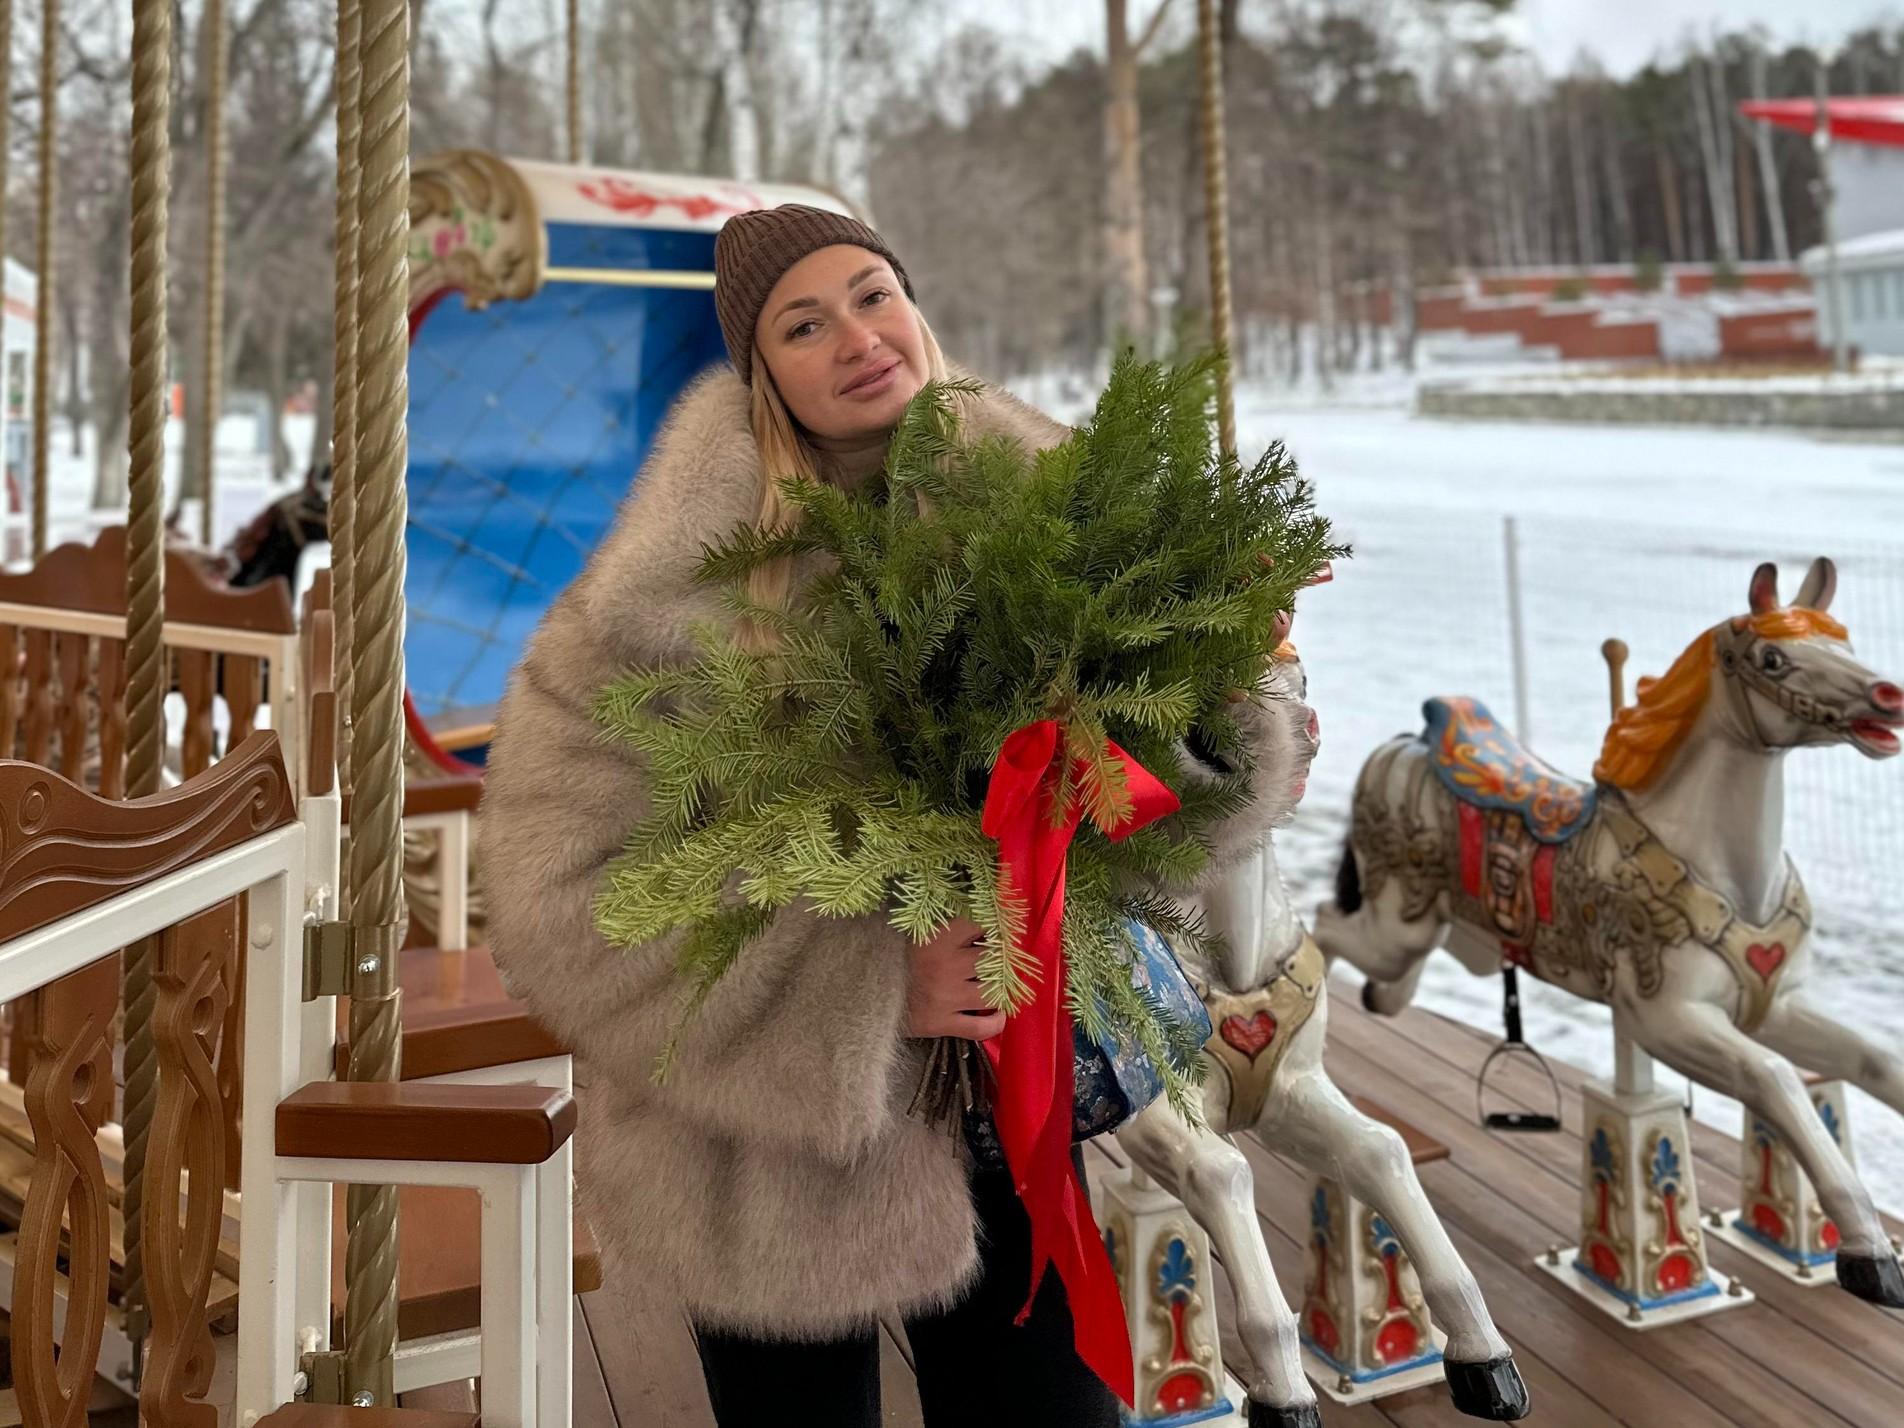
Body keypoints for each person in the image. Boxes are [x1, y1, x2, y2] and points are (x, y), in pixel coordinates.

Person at [479, 205, 1309, 1427]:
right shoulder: (643, 619)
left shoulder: (1062, 530)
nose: (858, 337)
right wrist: (866, 988)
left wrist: (1223, 718)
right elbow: (560, 902)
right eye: (804, 324)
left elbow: (1160, 807)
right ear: (761, 370)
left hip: (1010, 1113)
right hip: (759, 1169)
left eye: (873, 294)